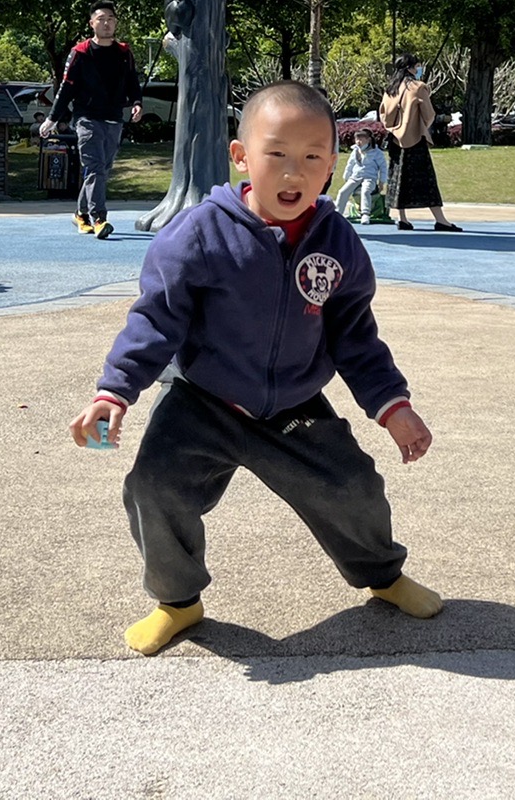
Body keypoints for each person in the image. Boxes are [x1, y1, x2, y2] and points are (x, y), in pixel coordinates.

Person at [68, 80, 442, 656]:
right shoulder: (197, 234)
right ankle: (178, 601)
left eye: (313, 157)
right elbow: (154, 321)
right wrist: (113, 392)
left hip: (294, 405)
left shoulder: (337, 242)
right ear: (242, 156)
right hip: (204, 400)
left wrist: (393, 406)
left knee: (354, 488)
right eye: (278, 155)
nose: (294, 172)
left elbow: (356, 338)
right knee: (154, 488)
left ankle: (383, 578)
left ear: (330, 167)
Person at [40, 3, 144, 238]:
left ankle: (80, 213)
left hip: (114, 119)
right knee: (95, 167)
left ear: (116, 23)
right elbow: (66, 88)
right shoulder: (81, 52)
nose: (106, 23)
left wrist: (137, 102)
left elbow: (132, 81)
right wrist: (52, 120)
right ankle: (99, 218)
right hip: (87, 118)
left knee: (102, 171)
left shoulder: (124, 53)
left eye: (110, 19)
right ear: (92, 23)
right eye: (101, 19)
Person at [377, 55, 460, 233]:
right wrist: (421, 126)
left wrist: (394, 128)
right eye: (417, 66)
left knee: (398, 179)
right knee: (427, 181)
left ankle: (402, 219)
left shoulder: (391, 89)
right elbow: (429, 114)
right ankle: (440, 220)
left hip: (395, 139)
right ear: (410, 68)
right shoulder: (418, 87)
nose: (419, 69)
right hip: (414, 139)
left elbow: (383, 114)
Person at [335, 127, 389, 222]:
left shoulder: (377, 153)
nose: (358, 141)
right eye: (356, 139)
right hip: (355, 177)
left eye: (360, 139)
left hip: (370, 178)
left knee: (365, 191)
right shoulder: (355, 151)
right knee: (342, 192)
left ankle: (365, 214)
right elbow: (350, 164)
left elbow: (383, 168)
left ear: (368, 140)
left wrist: (382, 181)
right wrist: (346, 176)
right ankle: (337, 213)